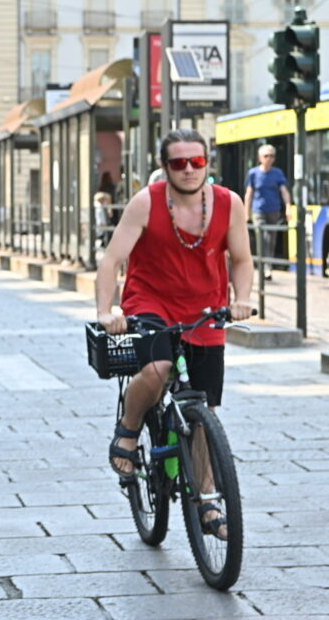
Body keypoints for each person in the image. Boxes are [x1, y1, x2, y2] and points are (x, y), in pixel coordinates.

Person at [96, 128, 252, 540]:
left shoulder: (228, 203)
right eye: (179, 162)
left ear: (207, 163)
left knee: (204, 414)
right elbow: (112, 260)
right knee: (158, 367)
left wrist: (243, 298)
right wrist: (106, 311)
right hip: (152, 303)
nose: (188, 169)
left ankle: (207, 501)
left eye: (196, 162)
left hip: (205, 307)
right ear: (165, 167)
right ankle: (128, 432)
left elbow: (241, 258)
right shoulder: (146, 202)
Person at [243, 143, 292, 279]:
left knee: (271, 239)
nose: (269, 158)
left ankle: (267, 265)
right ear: (260, 157)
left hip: (274, 210)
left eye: (272, 156)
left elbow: (284, 191)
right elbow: (249, 194)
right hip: (258, 210)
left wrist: (288, 207)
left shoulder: (277, 173)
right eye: (266, 156)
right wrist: (246, 213)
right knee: (262, 238)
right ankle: (265, 267)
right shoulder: (253, 173)